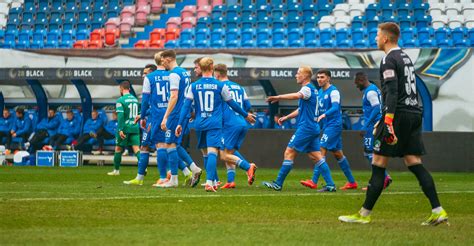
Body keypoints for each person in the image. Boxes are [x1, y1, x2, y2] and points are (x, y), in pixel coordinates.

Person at [339, 22, 448, 225]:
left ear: (386, 38)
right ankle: (438, 210)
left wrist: (387, 120)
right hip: (415, 112)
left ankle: (363, 215)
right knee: (414, 162)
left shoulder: (389, 59)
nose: (376, 38)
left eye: (378, 35)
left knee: (378, 163)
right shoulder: (406, 57)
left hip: (397, 115)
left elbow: (392, 90)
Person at [175, 57, 255, 192]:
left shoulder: (193, 86)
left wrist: (179, 123)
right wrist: (245, 114)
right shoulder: (220, 85)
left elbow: (186, 106)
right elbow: (232, 103)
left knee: (205, 153)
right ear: (212, 68)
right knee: (212, 152)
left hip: (200, 123)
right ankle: (210, 182)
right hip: (215, 123)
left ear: (201, 67)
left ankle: (213, 181)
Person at [262, 66, 336, 192]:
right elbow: (301, 109)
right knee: (316, 156)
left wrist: (278, 97)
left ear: (305, 76)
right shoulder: (313, 90)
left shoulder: (307, 89)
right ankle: (330, 185)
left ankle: (278, 183)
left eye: (298, 73)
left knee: (289, 152)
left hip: (306, 128)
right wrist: (286, 117)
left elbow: (296, 96)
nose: (296, 75)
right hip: (313, 127)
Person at [214, 63, 257, 189]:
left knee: (223, 155)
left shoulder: (220, 86)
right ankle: (230, 181)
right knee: (230, 152)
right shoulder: (239, 87)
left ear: (217, 74)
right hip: (242, 123)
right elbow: (248, 106)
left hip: (229, 124)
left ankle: (248, 166)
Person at [313, 69, 358, 190]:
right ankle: (352, 182)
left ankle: (314, 181)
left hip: (334, 125)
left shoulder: (334, 91)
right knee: (338, 154)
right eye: (318, 77)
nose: (319, 79)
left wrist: (324, 115)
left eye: (322, 77)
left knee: (321, 149)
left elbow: (335, 107)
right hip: (327, 125)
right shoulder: (319, 92)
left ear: (328, 78)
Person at [158, 49, 192, 187]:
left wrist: (165, 117)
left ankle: (174, 180)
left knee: (169, 144)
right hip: (183, 112)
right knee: (173, 144)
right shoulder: (185, 72)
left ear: (169, 59)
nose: (162, 63)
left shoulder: (173, 74)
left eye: (163, 60)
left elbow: (174, 96)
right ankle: (192, 170)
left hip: (176, 113)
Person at [354, 72, 392, 190]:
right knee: (372, 153)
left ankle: (383, 178)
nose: (356, 87)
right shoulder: (373, 89)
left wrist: (366, 125)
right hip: (376, 124)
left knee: (370, 153)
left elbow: (376, 108)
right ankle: (382, 178)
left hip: (373, 126)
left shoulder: (370, 92)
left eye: (356, 84)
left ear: (361, 81)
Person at [107, 81, 141, 176]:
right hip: (134, 127)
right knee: (136, 149)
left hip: (125, 128)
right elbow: (139, 114)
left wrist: (120, 129)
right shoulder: (135, 99)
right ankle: (143, 168)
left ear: (121, 89)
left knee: (118, 149)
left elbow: (120, 116)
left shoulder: (120, 100)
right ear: (129, 89)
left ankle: (116, 171)